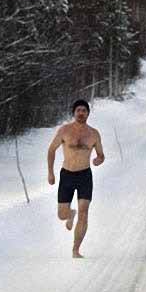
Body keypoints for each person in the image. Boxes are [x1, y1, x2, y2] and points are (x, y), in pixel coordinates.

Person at [47, 99, 105, 258]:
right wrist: (50, 173)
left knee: (84, 212)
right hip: (67, 175)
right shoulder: (64, 130)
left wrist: (99, 160)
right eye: (78, 110)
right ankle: (69, 214)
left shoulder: (93, 134)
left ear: (88, 113)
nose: (81, 113)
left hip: (84, 175)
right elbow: (51, 150)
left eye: (84, 110)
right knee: (61, 215)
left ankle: (76, 249)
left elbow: (101, 154)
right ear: (74, 113)